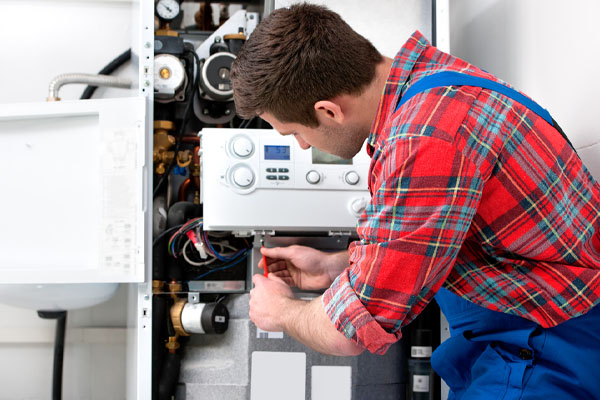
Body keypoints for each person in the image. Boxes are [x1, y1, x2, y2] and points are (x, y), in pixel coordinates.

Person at [230, 4, 600, 398]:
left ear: (328, 111)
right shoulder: (434, 83)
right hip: (529, 324)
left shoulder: (424, 140)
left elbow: (351, 332)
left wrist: (282, 312)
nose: (303, 146)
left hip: (548, 343)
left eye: (294, 133)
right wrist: (335, 266)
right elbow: (435, 241)